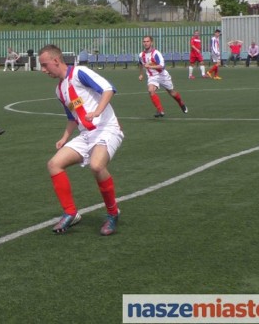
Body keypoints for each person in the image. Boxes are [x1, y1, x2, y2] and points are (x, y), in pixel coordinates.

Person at [37, 44, 124, 236]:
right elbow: (73, 115)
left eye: (44, 65)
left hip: (107, 129)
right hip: (86, 135)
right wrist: (64, 137)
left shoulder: (80, 73)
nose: (43, 70)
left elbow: (108, 89)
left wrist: (98, 111)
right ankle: (70, 213)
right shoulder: (60, 90)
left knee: (96, 166)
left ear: (56, 61)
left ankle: (112, 214)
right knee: (54, 164)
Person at [138, 36, 189, 118]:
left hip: (162, 75)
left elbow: (162, 66)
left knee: (172, 93)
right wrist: (141, 74)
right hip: (152, 76)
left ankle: (181, 103)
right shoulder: (141, 55)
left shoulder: (156, 53)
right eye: (144, 41)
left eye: (147, 41)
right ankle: (160, 110)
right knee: (151, 90)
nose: (145, 43)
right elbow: (140, 64)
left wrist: (150, 66)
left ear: (151, 42)